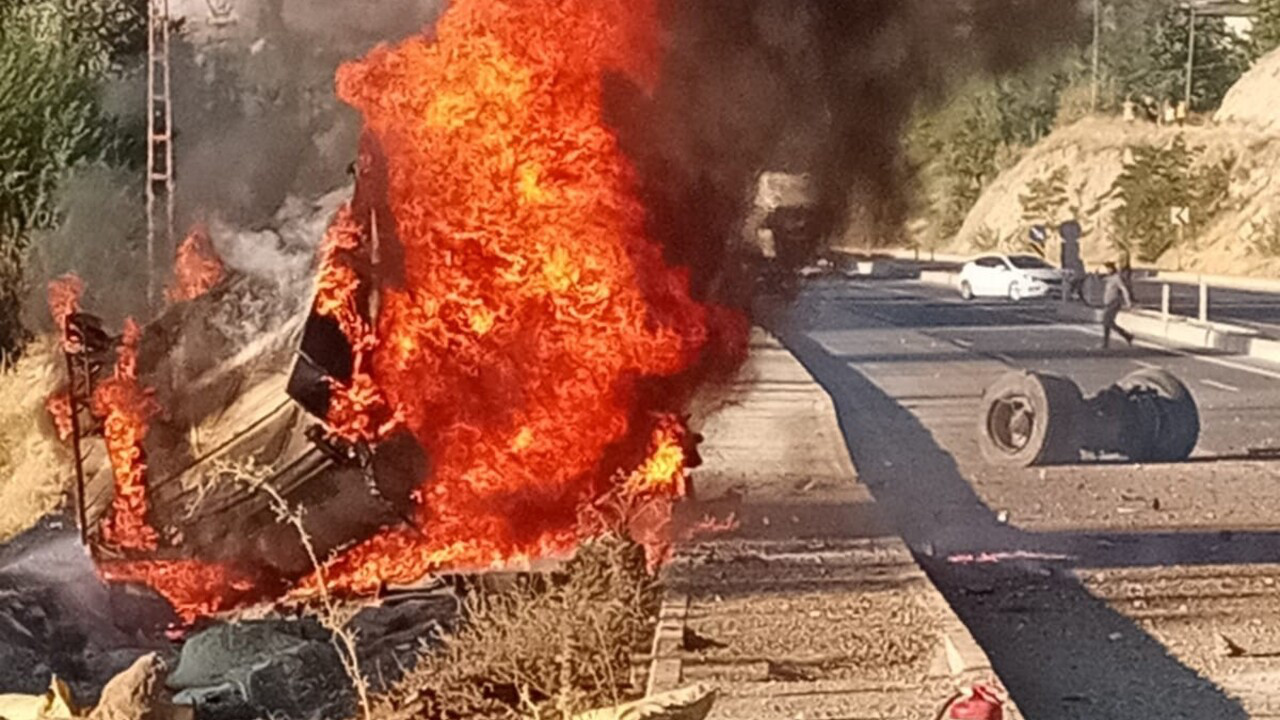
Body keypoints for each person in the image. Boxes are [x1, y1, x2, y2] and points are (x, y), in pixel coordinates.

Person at [1101, 261, 1135, 349]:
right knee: (1106, 323)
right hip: (1108, 303)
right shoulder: (1109, 278)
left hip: (1114, 303)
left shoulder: (1117, 278)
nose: (1108, 270)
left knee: (1107, 321)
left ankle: (1126, 335)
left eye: (1109, 268)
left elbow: (1123, 289)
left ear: (1113, 268)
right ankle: (1106, 343)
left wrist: (1128, 301)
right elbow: (1101, 279)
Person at [1059, 221, 1086, 302]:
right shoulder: (1068, 246)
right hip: (1070, 266)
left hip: (1070, 266)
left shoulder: (1069, 245)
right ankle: (1069, 296)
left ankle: (1069, 296)